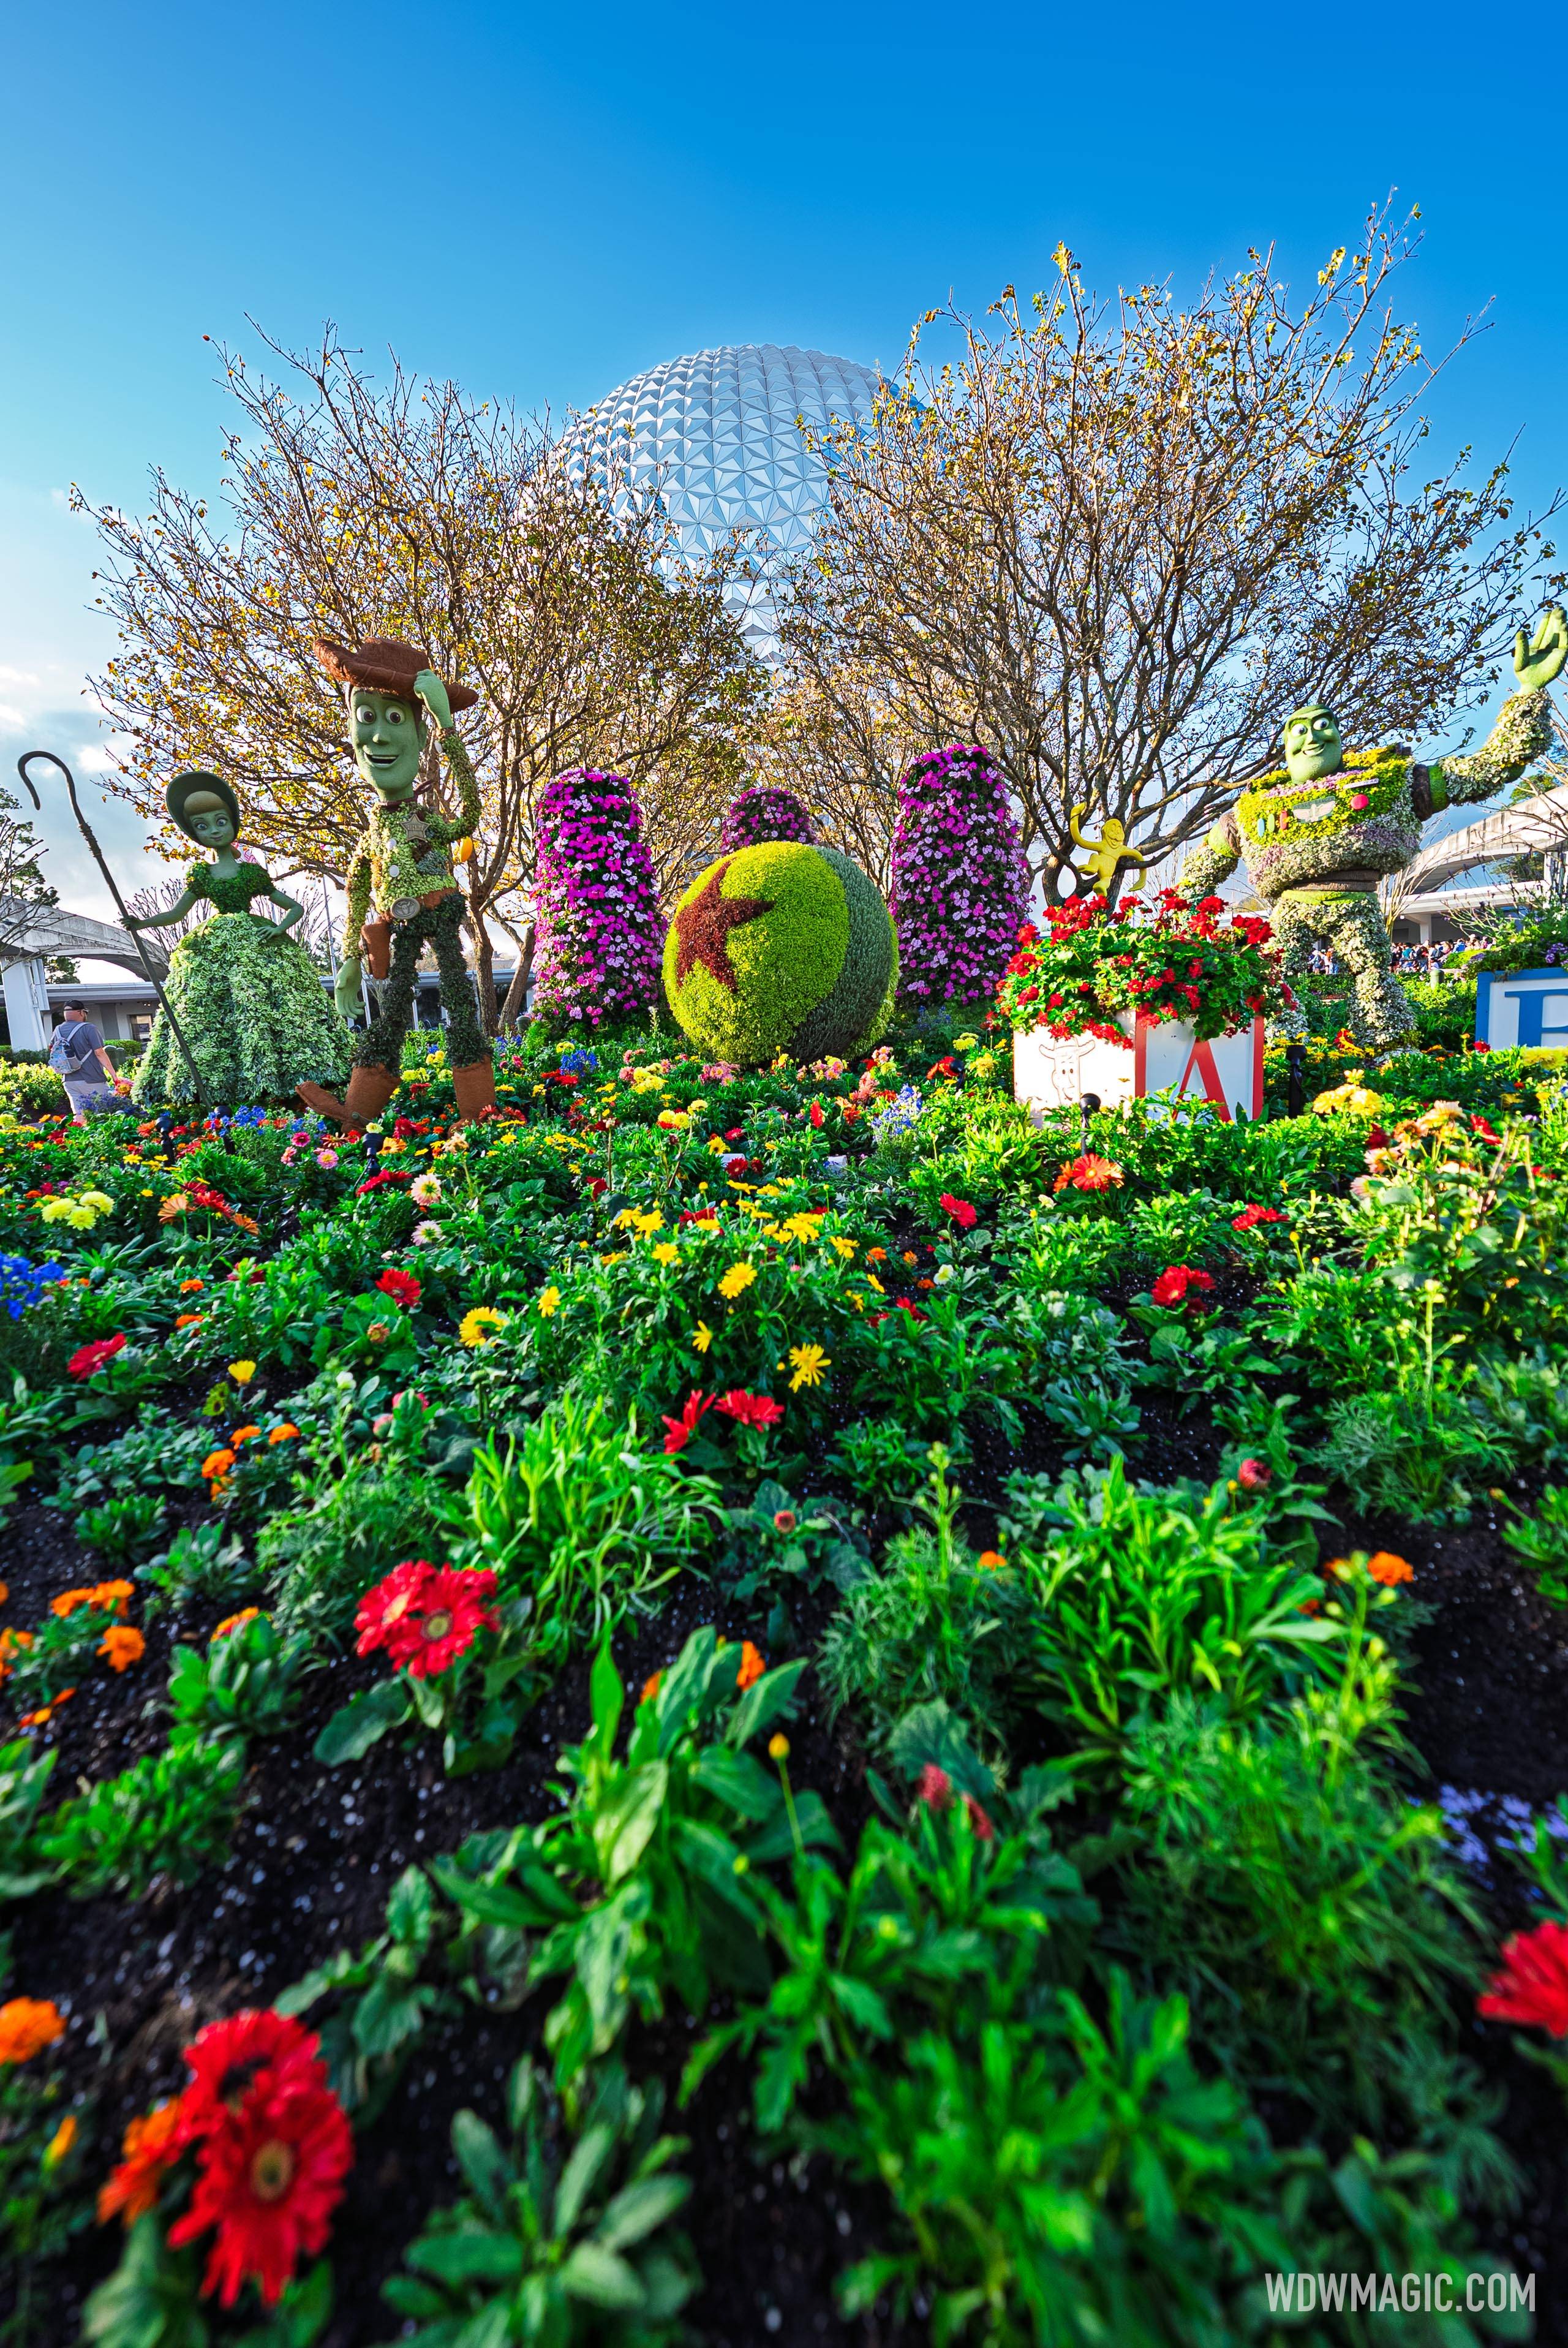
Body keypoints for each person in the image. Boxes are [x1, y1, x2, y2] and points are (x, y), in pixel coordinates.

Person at [297, 635, 495, 1125]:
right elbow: (357, 895)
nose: (380, 738)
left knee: (460, 1005)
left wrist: (448, 725)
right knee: (389, 1019)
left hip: (442, 913)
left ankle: (479, 1110)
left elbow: (469, 815)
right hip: (398, 928)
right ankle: (357, 1112)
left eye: (395, 719)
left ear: (418, 734)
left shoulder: (429, 821)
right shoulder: (369, 839)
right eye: (367, 718)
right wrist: (348, 959)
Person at [125, 771, 352, 1106]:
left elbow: (294, 907)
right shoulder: (202, 875)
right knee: (208, 1008)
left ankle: (297, 1078)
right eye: (202, 826)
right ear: (194, 833)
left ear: (233, 823)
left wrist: (278, 929)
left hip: (257, 939)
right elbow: (176, 914)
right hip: (214, 941)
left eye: (220, 822)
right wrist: (139, 922)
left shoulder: (251, 873)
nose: (214, 830)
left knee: (269, 1001)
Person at [48, 1002, 118, 1121]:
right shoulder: (89, 1028)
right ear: (81, 1012)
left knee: (80, 1117)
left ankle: (82, 1139)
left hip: (69, 1080)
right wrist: (114, 1075)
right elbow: (99, 1053)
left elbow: (51, 1049)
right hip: (92, 1079)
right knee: (104, 1114)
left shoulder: (58, 1030)